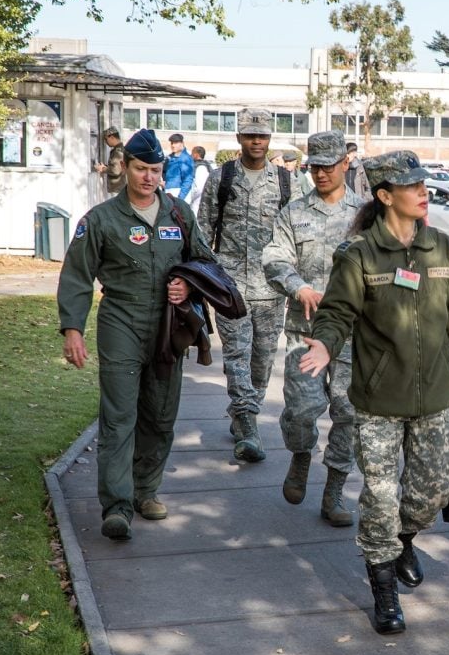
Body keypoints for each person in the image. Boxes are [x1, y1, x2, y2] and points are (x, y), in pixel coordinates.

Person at [300, 151, 449, 635]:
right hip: (378, 401)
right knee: (380, 496)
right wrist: (324, 343)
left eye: (423, 183)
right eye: (411, 185)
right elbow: (337, 313)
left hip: (438, 397)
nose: (423, 191)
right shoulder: (358, 255)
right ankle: (384, 590)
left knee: (435, 489)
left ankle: (403, 537)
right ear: (384, 196)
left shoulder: (445, 250)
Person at [57, 128, 216, 541]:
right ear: (125, 167)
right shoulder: (101, 220)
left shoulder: (180, 214)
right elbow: (76, 276)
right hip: (121, 322)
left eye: (155, 170)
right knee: (119, 417)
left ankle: (146, 490)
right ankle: (116, 505)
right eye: (141, 168)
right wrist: (73, 329)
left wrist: (187, 284)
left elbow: (205, 263)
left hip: (167, 328)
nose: (148, 177)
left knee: (160, 415)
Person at [262, 130, 363, 527]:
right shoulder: (293, 211)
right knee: (302, 410)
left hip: (355, 336)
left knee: (348, 413)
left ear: (345, 164)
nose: (320, 173)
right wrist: (297, 286)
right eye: (314, 166)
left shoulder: (365, 216)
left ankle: (335, 490)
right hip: (304, 331)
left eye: (328, 165)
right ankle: (301, 455)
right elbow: (274, 257)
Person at [197, 107, 289, 462]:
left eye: (262, 136)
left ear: (269, 140)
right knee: (236, 355)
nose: (256, 141)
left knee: (262, 360)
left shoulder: (284, 182)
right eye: (250, 135)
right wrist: (205, 278)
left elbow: (293, 235)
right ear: (239, 138)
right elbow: (204, 231)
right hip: (230, 286)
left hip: (271, 290)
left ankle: (243, 412)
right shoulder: (222, 179)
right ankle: (249, 427)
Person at [94, 126, 126, 194]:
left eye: (106, 139)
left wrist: (103, 169)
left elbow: (116, 170)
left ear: (112, 137)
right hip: (118, 189)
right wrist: (105, 166)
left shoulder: (118, 151)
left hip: (117, 190)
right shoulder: (119, 149)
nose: (105, 142)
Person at [164, 133, 194, 200]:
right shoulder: (170, 157)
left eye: (176, 143)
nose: (173, 145)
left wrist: (180, 198)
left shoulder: (185, 158)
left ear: (182, 143)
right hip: (168, 192)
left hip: (178, 193)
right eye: (172, 143)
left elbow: (188, 180)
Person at [187, 145, 213, 212]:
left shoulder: (201, 167)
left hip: (198, 202)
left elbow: (199, 188)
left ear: (196, 154)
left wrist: (190, 198)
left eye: (192, 153)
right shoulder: (206, 165)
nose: (191, 155)